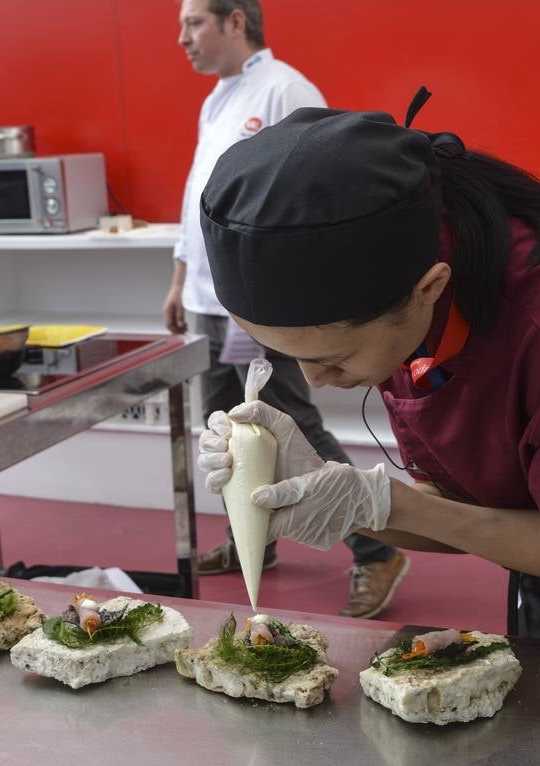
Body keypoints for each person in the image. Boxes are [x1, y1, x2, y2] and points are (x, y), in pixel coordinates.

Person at [195, 93, 540, 659]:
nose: (315, 381)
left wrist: (382, 506)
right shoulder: (407, 288)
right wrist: (331, 491)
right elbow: (462, 511)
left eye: (337, 358)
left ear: (429, 290)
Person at [165, 0, 409, 617]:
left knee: (291, 425)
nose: (182, 38)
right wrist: (179, 278)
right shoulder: (214, 100)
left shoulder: (286, 89)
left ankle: (376, 551)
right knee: (225, 433)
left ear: (235, 22)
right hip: (207, 299)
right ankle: (253, 540)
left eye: (193, 23)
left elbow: (312, 198)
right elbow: (201, 194)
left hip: (263, 306)